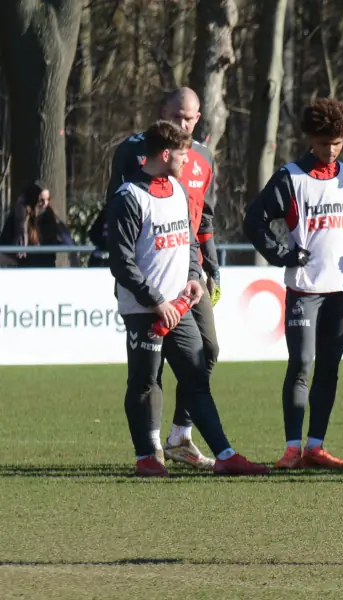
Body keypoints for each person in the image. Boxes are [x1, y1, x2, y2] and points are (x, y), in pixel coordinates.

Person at [108, 120, 267, 477]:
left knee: (196, 376)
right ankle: (147, 456)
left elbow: (190, 241)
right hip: (145, 310)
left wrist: (195, 277)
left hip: (179, 308)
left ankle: (225, 455)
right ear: (165, 154)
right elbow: (121, 261)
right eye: (183, 154)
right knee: (145, 380)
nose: (188, 160)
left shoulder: (178, 190)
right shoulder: (129, 198)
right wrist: (155, 302)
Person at [89, 88, 222, 470]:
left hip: (190, 274)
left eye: (191, 118)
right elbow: (122, 218)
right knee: (150, 370)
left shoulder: (203, 158)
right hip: (152, 280)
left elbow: (204, 217)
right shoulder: (136, 155)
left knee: (207, 351)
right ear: (163, 113)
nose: (185, 124)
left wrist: (208, 266)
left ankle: (181, 434)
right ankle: (149, 449)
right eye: (178, 116)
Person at [245, 98, 343, 470]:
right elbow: (254, 220)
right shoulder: (290, 177)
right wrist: (282, 253)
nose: (329, 150)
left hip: (341, 290)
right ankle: (291, 448)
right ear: (309, 139)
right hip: (304, 288)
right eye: (322, 143)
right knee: (301, 363)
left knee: (329, 368)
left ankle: (316, 447)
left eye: (336, 143)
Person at [0, 181, 76, 268]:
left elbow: (65, 242)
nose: (45, 204)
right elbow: (3, 251)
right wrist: (16, 263)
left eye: (48, 199)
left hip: (47, 271)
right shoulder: (17, 220)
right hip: (25, 272)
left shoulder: (51, 218)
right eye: (41, 200)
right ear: (33, 199)